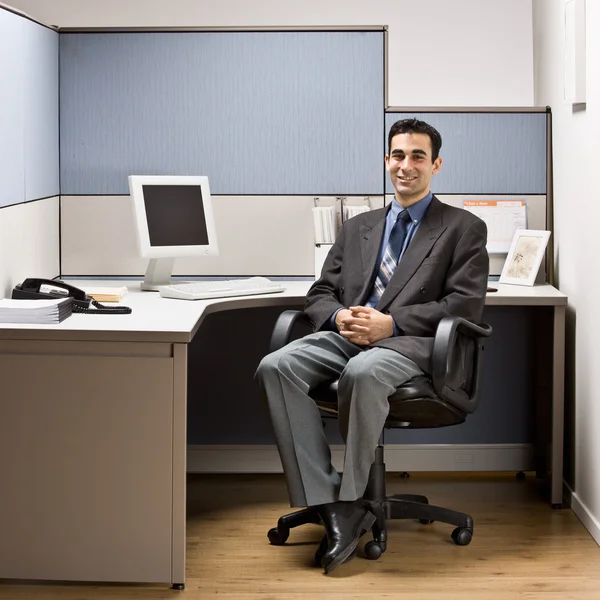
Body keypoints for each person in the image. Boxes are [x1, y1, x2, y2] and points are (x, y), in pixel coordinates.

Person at [255, 118, 489, 574]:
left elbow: (466, 305)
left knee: (363, 373)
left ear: (436, 164)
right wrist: (340, 315)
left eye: (418, 156)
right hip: (348, 334)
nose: (407, 165)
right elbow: (320, 291)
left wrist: (392, 324)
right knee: (275, 365)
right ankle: (331, 502)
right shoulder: (358, 226)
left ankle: (352, 497)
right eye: (398, 155)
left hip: (413, 345)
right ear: (387, 161)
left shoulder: (463, 228)